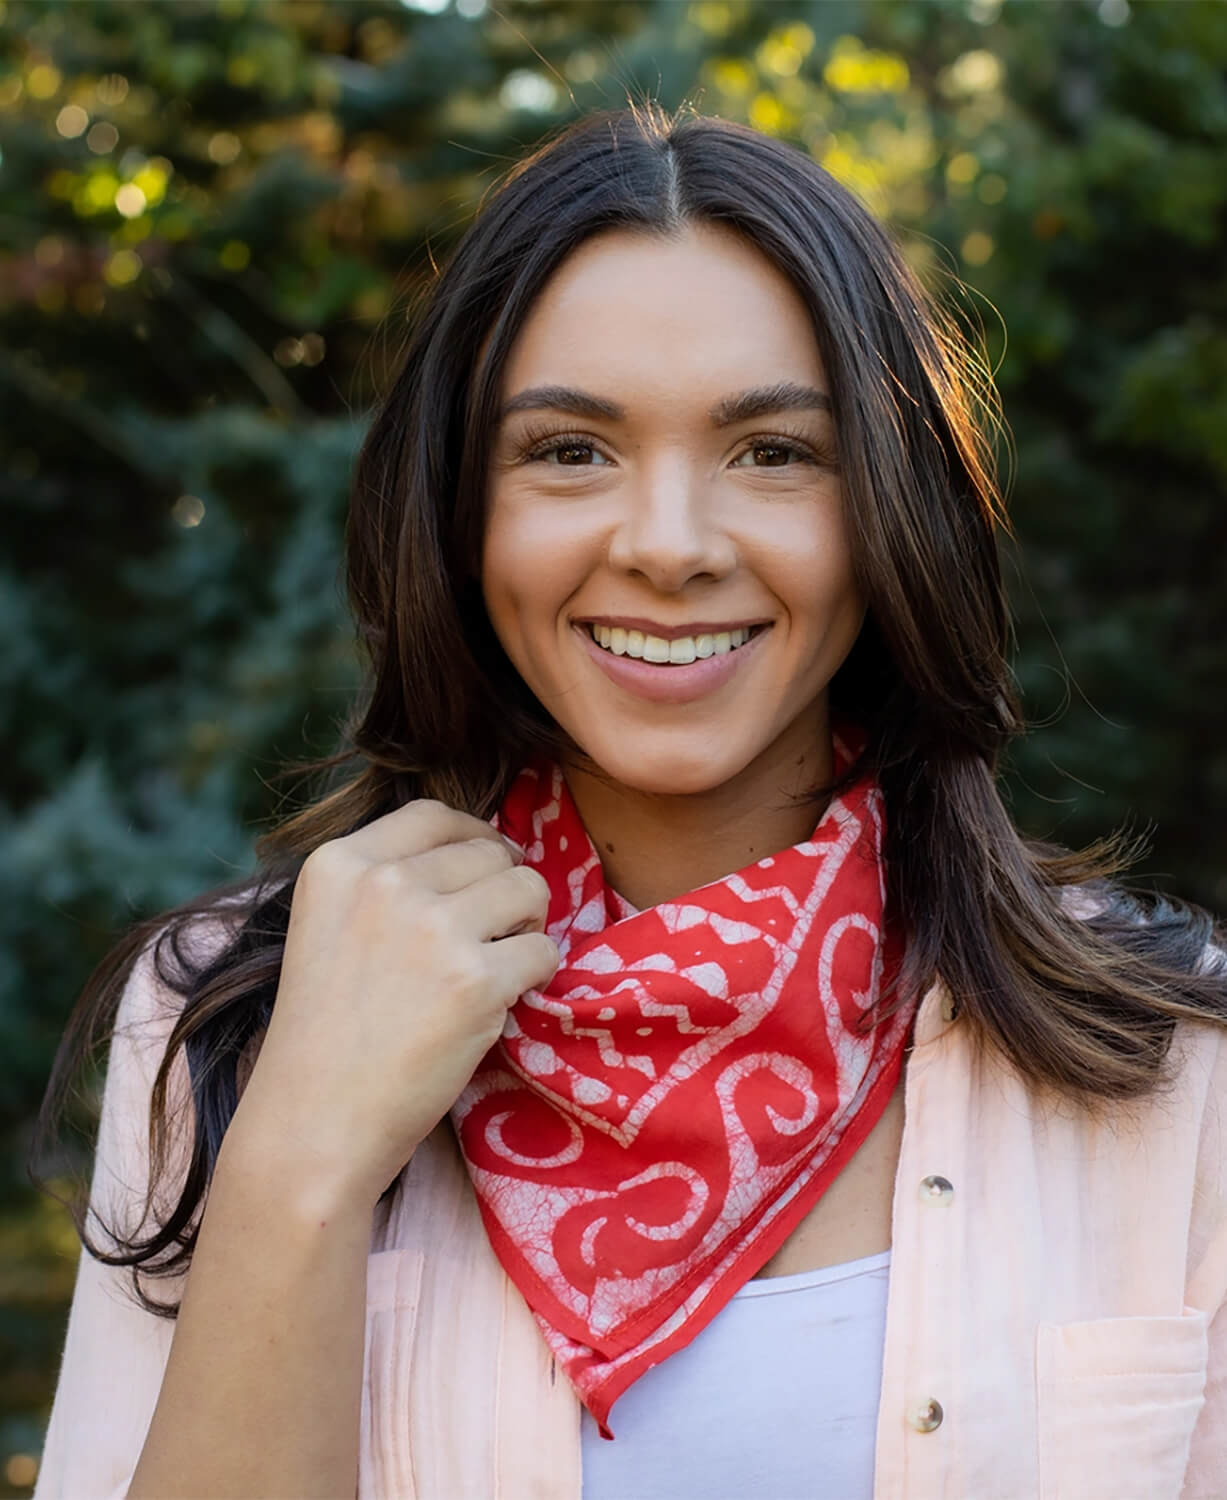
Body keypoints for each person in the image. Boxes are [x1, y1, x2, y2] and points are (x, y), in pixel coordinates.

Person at [30, 101, 1227, 1500]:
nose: (669, 546)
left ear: (892, 509)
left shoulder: (1170, 1056)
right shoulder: (234, 1017)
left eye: (775, 452)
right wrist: (299, 1167)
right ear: (458, 510)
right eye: (568, 451)